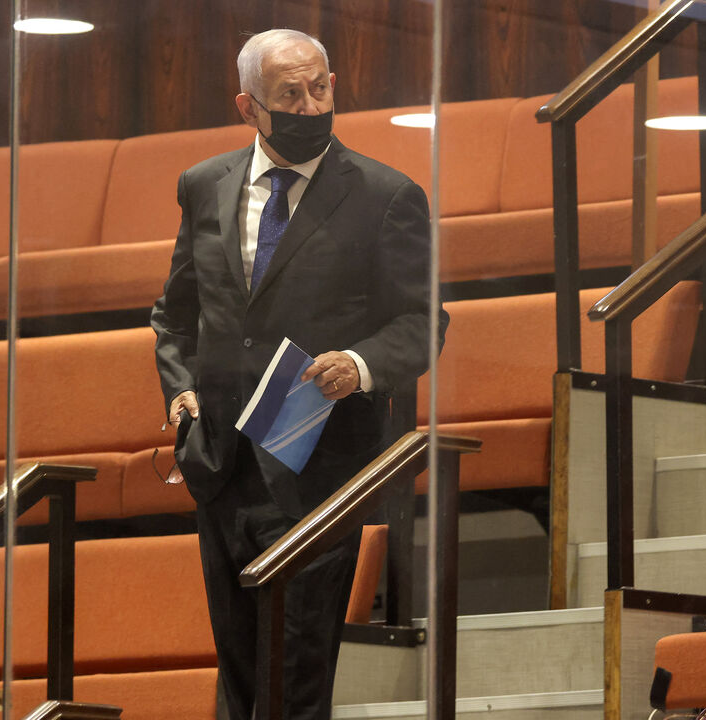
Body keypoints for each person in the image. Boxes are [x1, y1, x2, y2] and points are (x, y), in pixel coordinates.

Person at [150, 28, 445, 720]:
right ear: (248, 106)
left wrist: (362, 363)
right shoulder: (203, 186)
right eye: (289, 95)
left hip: (319, 461)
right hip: (222, 460)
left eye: (321, 88)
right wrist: (181, 391)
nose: (311, 106)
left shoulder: (385, 195)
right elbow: (176, 315)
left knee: (296, 665)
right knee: (242, 669)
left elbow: (422, 322)